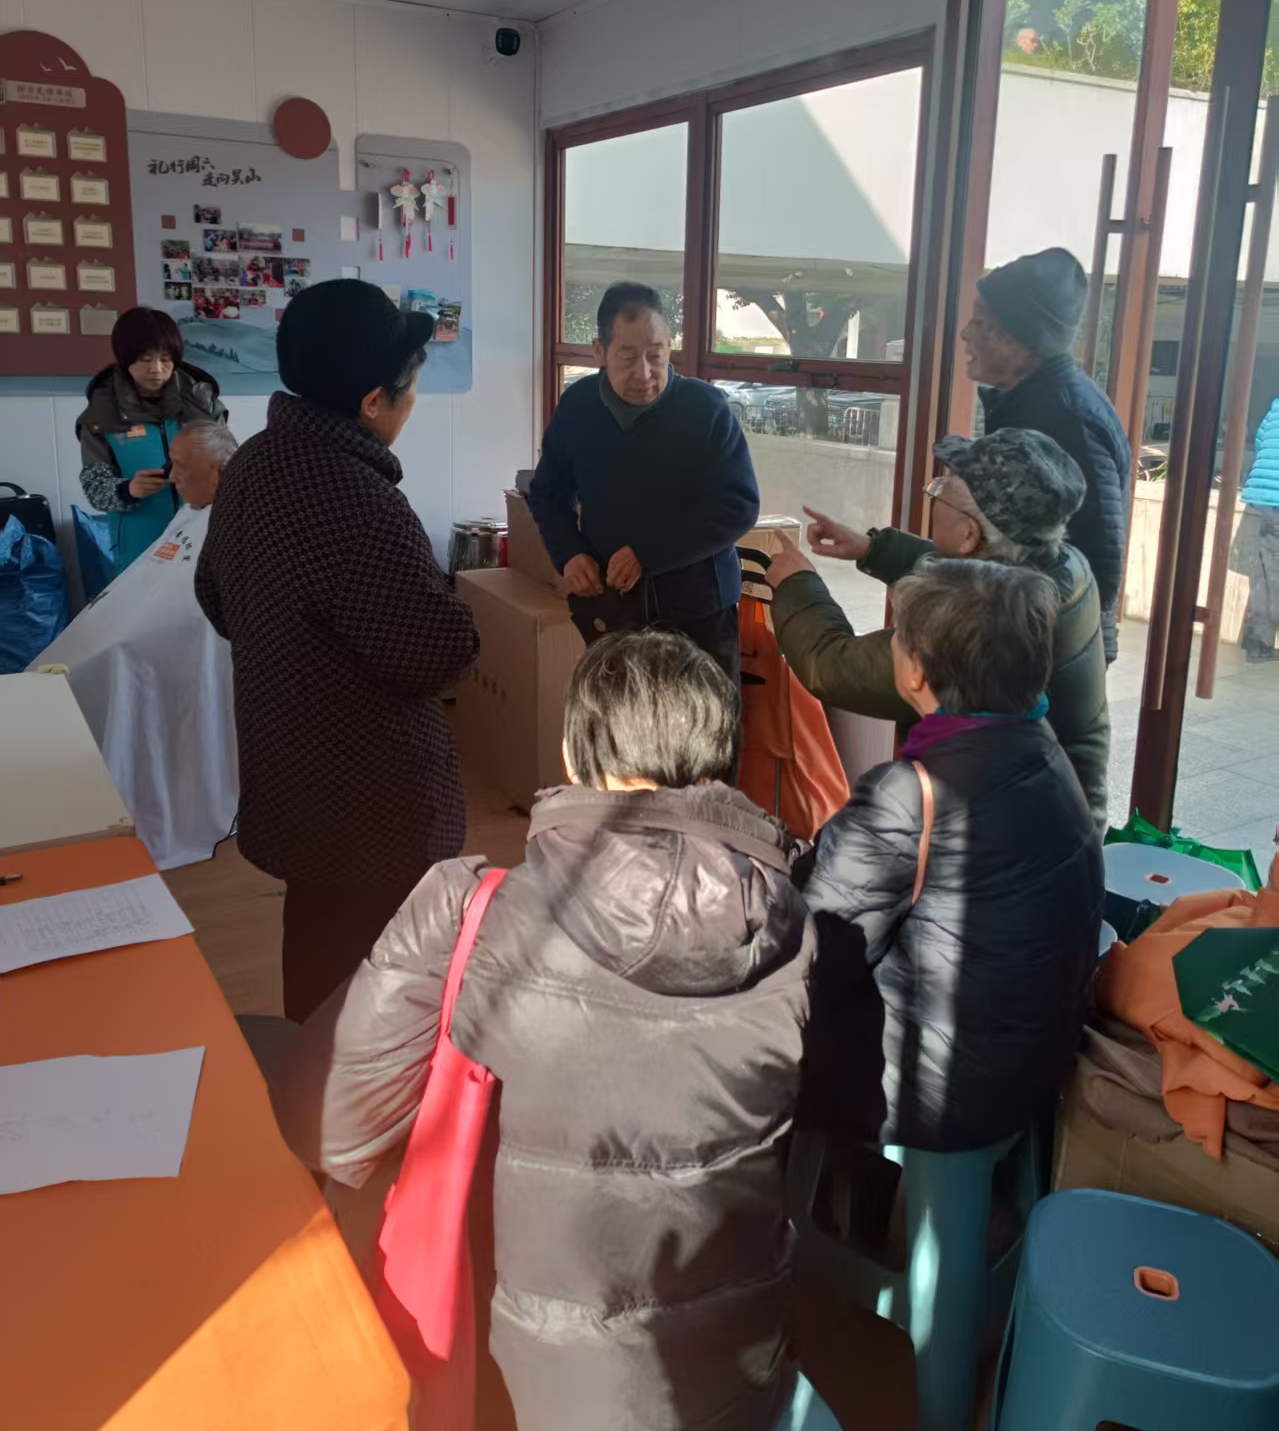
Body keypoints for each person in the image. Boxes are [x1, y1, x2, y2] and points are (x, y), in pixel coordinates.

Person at [270, 629, 815, 1431]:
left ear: (571, 753)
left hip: (520, 1399)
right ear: (720, 758)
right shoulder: (798, 925)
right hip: (737, 1384)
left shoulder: (473, 912)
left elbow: (327, 1127)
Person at [195, 281, 479, 1022]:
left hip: (291, 775)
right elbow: (440, 654)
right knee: (385, 990)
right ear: (372, 402)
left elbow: (215, 596)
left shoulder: (254, 463)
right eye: (410, 388)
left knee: (317, 956)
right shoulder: (357, 499)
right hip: (372, 805)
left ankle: (307, 1078)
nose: (413, 403)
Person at [799, 557, 1102, 1151]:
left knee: (731, 1025)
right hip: (1034, 1056)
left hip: (942, 1088)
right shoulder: (1044, 748)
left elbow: (813, 951)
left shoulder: (914, 794)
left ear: (915, 670)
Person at [767, 428, 1111, 828]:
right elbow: (971, 571)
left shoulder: (976, 626)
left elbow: (832, 667)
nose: (933, 496)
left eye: (940, 491)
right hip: (1062, 813)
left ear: (968, 535)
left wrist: (797, 584)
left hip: (999, 831)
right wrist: (875, 549)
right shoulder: (1062, 566)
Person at [527, 282, 760, 686]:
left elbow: (738, 506)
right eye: (628, 356)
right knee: (619, 720)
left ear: (670, 345)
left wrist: (648, 553)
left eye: (655, 355)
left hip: (699, 612)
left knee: (708, 721)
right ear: (599, 352)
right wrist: (569, 553)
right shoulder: (579, 407)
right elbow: (548, 493)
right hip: (614, 612)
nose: (645, 373)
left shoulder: (704, 409)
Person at [32, 420, 240, 871]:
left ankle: (104, 790)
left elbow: (198, 613)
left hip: (155, 642)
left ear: (222, 472)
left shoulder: (237, 524)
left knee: (106, 660)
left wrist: (125, 636)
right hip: (124, 625)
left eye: (182, 467)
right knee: (58, 668)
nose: (172, 477)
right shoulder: (192, 513)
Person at [961, 247, 1131, 661]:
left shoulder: (1064, 414)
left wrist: (1035, 640)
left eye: (979, 323)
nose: (965, 333)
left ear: (1018, 339)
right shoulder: (1029, 401)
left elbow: (1102, 561)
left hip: (1050, 640)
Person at [76, 307, 228, 577]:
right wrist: (128, 490)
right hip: (139, 550)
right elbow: (95, 488)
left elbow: (228, 466)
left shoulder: (202, 403)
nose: (156, 369)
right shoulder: (101, 416)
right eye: (145, 359)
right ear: (125, 358)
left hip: (204, 544)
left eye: (166, 359)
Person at [1239, 395, 1279, 662]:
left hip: (1260, 498)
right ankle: (1258, 645)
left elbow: (1260, 440)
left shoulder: (1276, 405)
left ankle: (1256, 642)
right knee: (1272, 576)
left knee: (1264, 574)